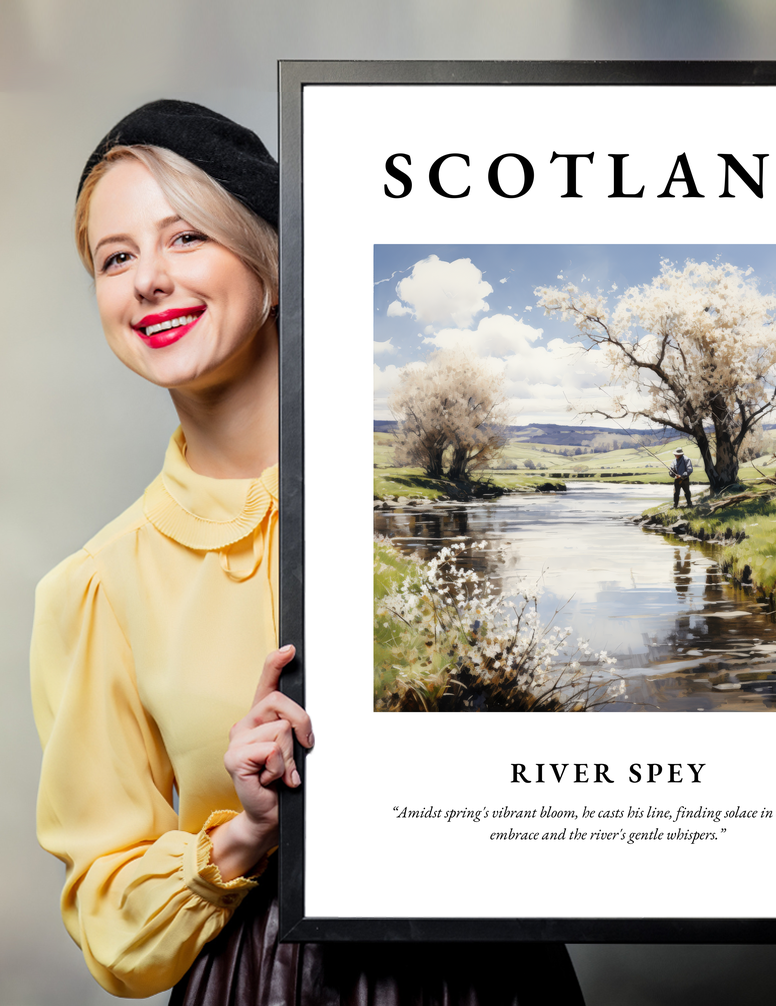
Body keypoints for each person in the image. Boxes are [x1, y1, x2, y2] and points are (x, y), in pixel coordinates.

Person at [30, 100, 585, 1004]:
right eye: (116, 257)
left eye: (186, 239)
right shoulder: (97, 587)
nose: (148, 281)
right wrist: (245, 832)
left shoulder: (427, 514)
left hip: (493, 974)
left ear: (273, 265)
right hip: (264, 982)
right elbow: (110, 924)